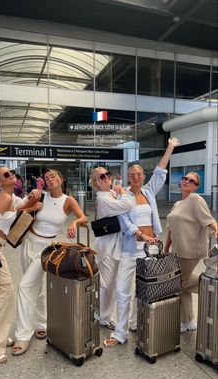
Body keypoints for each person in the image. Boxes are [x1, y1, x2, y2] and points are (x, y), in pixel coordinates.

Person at [103, 137, 180, 347]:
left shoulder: (149, 191)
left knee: (144, 289)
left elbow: (160, 171)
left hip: (149, 250)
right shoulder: (123, 196)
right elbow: (125, 223)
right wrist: (142, 235)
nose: (136, 176)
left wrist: (170, 148)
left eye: (139, 174)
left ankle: (136, 323)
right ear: (127, 177)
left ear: (143, 176)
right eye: (132, 174)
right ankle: (120, 332)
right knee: (123, 290)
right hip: (130, 249)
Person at [12, 168, 87, 356]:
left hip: (45, 249)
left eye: (53, 176)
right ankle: (41, 323)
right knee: (35, 287)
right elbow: (17, 212)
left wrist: (74, 223)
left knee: (24, 286)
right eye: (46, 178)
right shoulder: (40, 196)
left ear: (61, 180)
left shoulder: (68, 201)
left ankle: (22, 334)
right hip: (28, 242)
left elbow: (83, 217)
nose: (50, 179)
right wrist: (31, 204)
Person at [0, 166, 40, 364]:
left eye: (13, 172)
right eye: (6, 174)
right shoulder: (4, 197)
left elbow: (21, 206)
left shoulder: (9, 196)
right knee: (4, 292)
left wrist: (32, 198)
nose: (12, 175)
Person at [165, 172, 217, 332]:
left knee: (178, 283)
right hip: (177, 251)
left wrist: (216, 230)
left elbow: (210, 220)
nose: (187, 181)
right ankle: (187, 321)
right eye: (185, 178)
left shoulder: (196, 199)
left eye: (191, 180)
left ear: (196, 186)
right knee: (182, 286)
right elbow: (171, 230)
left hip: (190, 250)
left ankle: (208, 282)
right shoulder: (177, 204)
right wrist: (166, 247)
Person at [89, 167, 134, 330]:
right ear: (96, 182)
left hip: (114, 243)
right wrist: (122, 190)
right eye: (102, 176)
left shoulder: (109, 194)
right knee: (106, 283)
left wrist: (118, 191)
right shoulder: (103, 198)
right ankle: (98, 314)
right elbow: (128, 204)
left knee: (112, 283)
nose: (107, 177)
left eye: (108, 174)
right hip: (107, 245)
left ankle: (105, 316)